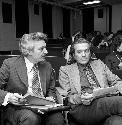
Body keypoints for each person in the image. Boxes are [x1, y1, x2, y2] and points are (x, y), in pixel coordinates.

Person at [0, 32, 65, 125]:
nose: (46, 51)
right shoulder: (10, 64)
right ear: (28, 51)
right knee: (31, 118)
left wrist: (51, 98)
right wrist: (9, 97)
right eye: (41, 49)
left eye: (45, 48)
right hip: (17, 109)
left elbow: (51, 90)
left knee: (57, 119)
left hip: (43, 107)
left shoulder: (47, 66)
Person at [59, 37, 122, 125]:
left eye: (86, 51)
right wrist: (82, 98)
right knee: (120, 102)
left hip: (106, 104)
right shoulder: (65, 70)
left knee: (117, 122)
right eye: (79, 52)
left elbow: (117, 81)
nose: (84, 55)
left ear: (90, 52)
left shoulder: (99, 64)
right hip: (83, 109)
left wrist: (118, 89)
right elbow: (68, 96)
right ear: (73, 55)